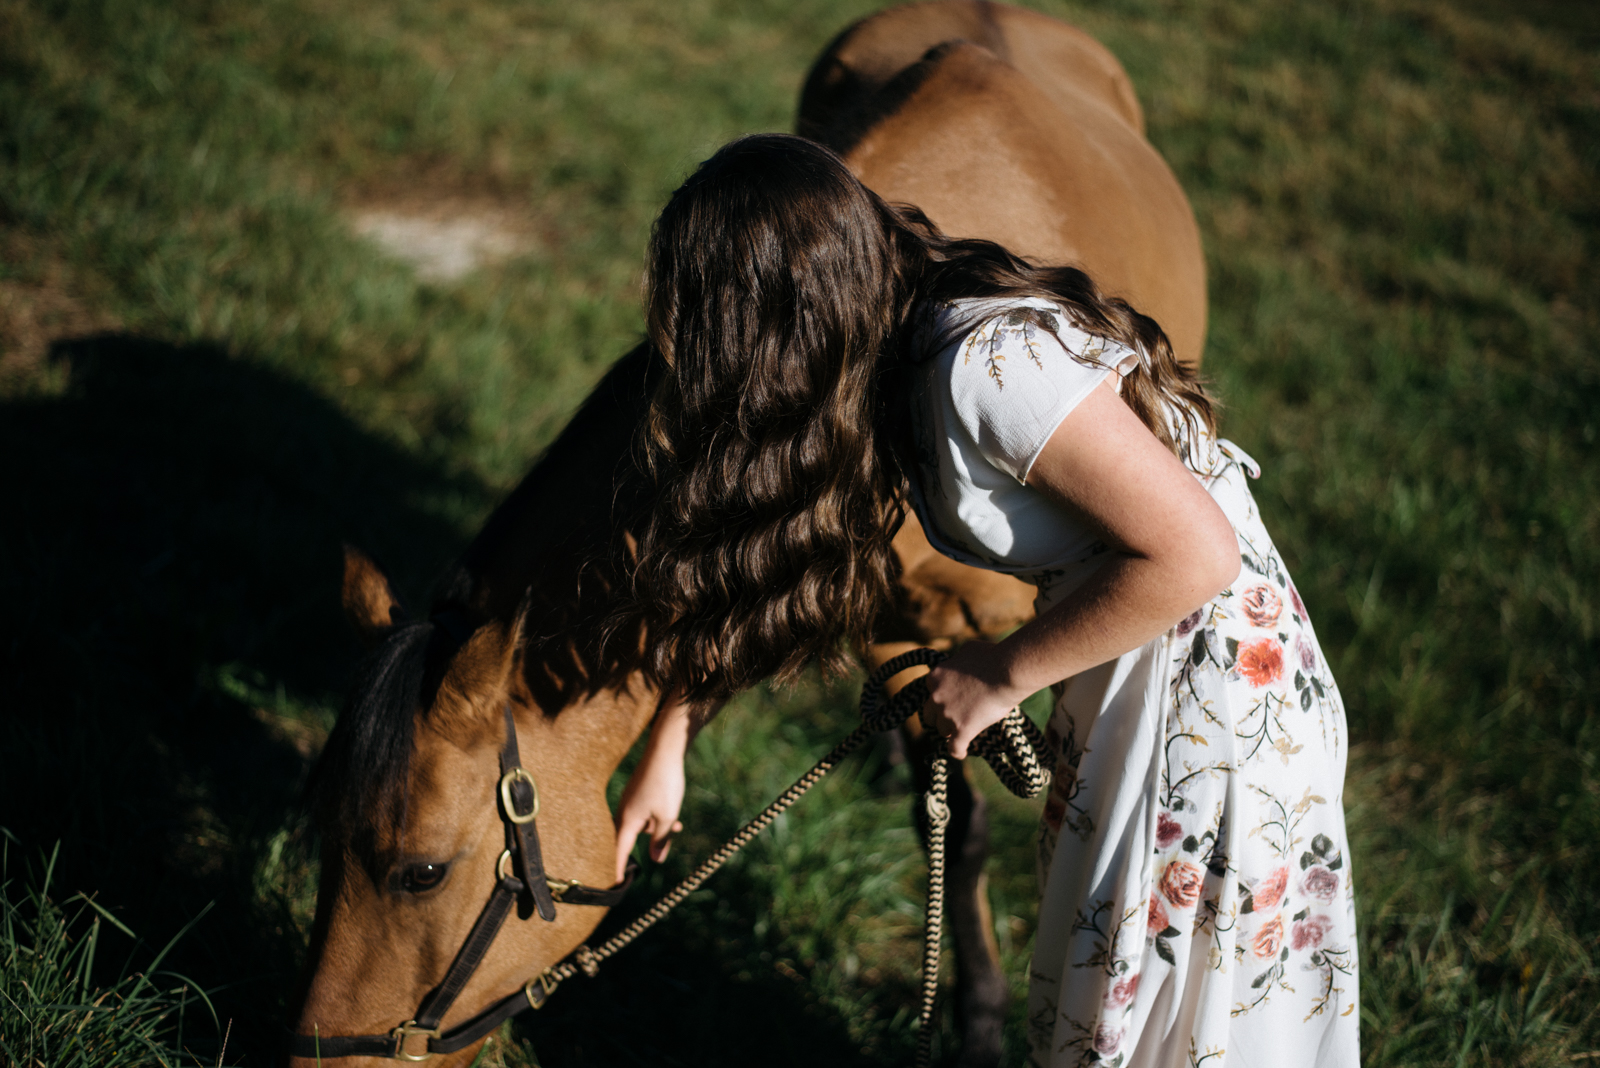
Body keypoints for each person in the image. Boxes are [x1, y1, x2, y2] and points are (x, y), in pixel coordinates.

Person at [608, 133, 1358, 1067]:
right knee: (1124, 1003)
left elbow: (1196, 553)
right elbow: (774, 558)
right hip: (1134, 667)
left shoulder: (981, 365)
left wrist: (1000, 673)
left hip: (1212, 702)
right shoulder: (892, 362)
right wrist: (669, 742)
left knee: (1168, 1017)